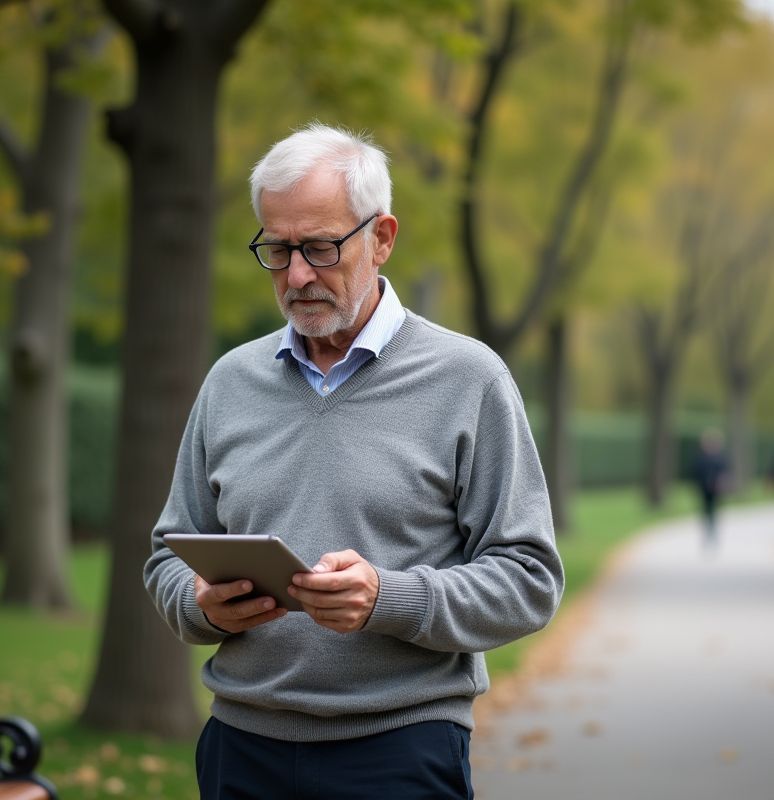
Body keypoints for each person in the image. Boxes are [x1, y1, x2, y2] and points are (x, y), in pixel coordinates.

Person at [143, 123, 564, 800]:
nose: (297, 275)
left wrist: (388, 598)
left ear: (383, 238)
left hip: (400, 748)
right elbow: (168, 555)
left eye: (319, 246)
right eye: (276, 250)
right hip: (239, 748)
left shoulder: (469, 379)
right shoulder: (230, 381)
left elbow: (529, 579)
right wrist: (202, 607)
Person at [689, 428, 730, 551]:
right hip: (703, 488)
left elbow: (725, 472)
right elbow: (694, 472)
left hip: (716, 489)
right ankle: (708, 530)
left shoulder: (720, 457)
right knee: (706, 509)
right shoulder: (700, 456)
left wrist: (722, 483)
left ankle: (713, 530)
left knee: (714, 509)